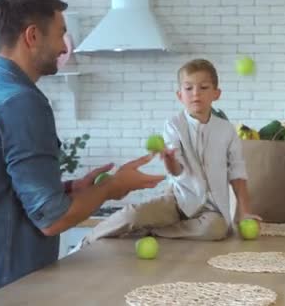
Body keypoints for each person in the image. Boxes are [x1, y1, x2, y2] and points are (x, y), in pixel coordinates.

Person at [0, 0, 165, 306]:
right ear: (32, 36)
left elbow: (2, 188)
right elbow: (52, 220)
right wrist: (111, 187)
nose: (64, 47)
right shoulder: (21, 102)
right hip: (1, 286)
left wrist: (72, 187)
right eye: (60, 34)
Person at [80, 59, 259, 245]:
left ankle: (154, 232)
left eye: (203, 87)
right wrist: (169, 160)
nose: (196, 93)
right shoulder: (174, 125)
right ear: (180, 95)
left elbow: (237, 172)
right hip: (178, 199)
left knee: (217, 229)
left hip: (211, 208)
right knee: (133, 215)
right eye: (188, 88)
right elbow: (177, 170)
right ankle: (87, 241)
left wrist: (244, 211)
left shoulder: (227, 130)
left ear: (216, 93)